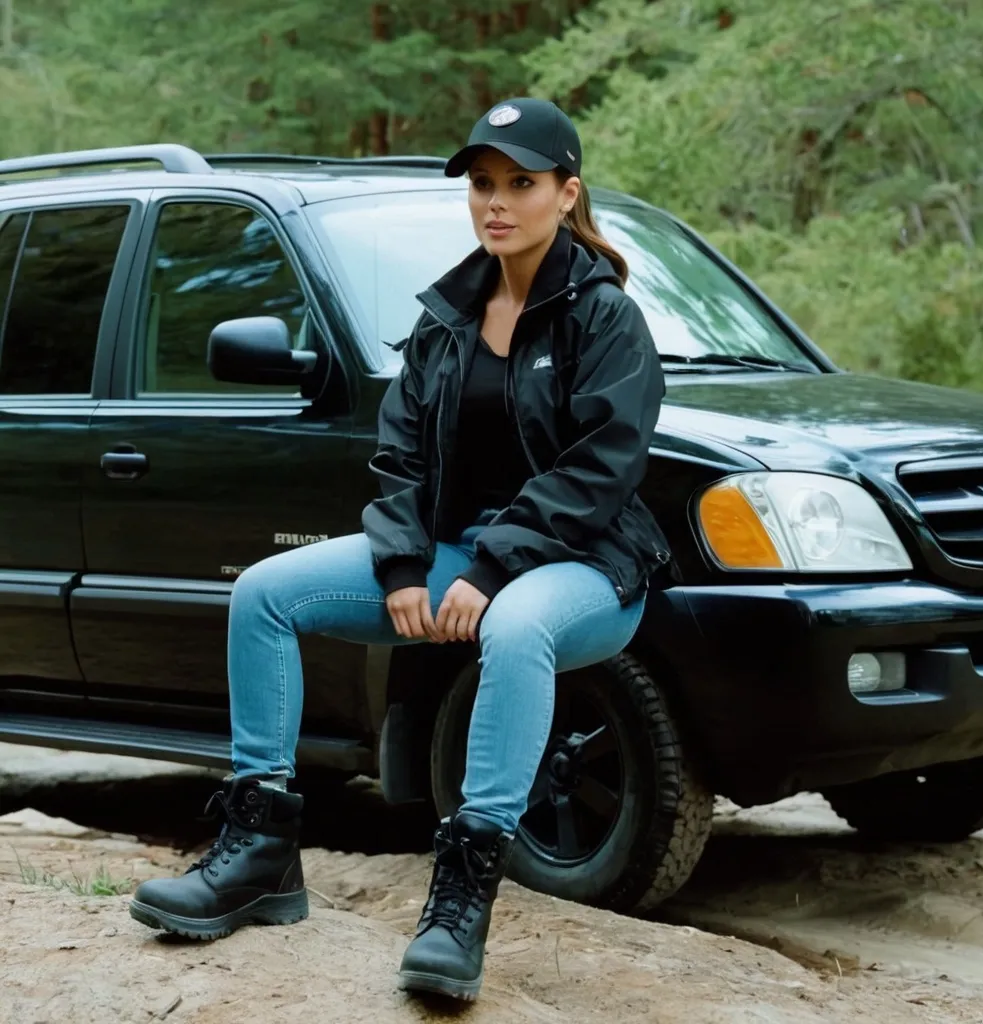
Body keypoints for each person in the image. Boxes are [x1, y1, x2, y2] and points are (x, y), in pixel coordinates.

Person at [128, 97, 673, 1001]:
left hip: (583, 567)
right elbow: (402, 459)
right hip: (462, 558)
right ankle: (260, 851)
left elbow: (601, 470)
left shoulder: (605, 319)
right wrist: (405, 564)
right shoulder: (448, 316)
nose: (495, 203)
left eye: (520, 185)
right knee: (264, 593)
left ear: (566, 193)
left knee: (516, 628)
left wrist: (494, 566)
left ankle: (459, 906)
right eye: (483, 185)